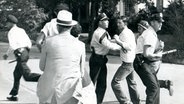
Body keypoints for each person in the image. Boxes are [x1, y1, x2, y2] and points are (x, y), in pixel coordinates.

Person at [37, 10, 95, 104]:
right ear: (71, 26)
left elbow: (42, 67)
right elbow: (82, 72)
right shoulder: (80, 45)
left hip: (51, 89)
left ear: (57, 26)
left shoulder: (48, 42)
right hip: (71, 91)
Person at [3, 15, 41, 101]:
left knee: (27, 76)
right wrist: (25, 51)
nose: (6, 25)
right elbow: (29, 43)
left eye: (7, 23)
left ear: (11, 23)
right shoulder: (21, 30)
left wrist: (7, 54)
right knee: (16, 74)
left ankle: (44, 78)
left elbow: (12, 45)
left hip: (20, 53)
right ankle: (14, 95)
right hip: (25, 52)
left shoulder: (11, 32)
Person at [134, 20, 174, 97]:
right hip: (151, 61)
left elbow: (152, 51)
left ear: (145, 29)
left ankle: (166, 84)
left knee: (151, 85)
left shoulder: (149, 36)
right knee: (152, 83)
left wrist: (160, 47)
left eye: (141, 28)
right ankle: (166, 84)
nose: (139, 29)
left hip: (152, 62)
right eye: (138, 27)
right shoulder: (142, 36)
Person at [133, 12, 165, 104]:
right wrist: (158, 56)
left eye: (161, 22)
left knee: (154, 86)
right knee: (153, 88)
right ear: (152, 22)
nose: (161, 24)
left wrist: (159, 48)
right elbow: (147, 54)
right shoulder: (150, 34)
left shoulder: (151, 33)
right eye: (159, 22)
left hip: (143, 62)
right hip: (142, 62)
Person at [89, 13, 121, 104]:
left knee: (102, 84)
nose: (107, 22)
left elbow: (109, 41)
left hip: (101, 60)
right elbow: (109, 45)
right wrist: (122, 46)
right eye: (105, 20)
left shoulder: (103, 32)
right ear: (100, 22)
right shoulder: (99, 33)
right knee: (92, 84)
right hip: (97, 59)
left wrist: (119, 41)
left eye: (107, 20)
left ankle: (97, 102)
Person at [112, 16, 140, 104]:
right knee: (131, 83)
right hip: (130, 61)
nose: (118, 24)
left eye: (120, 23)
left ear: (125, 23)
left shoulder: (126, 33)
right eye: (117, 22)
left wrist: (117, 40)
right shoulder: (125, 32)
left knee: (115, 83)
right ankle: (136, 102)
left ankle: (125, 102)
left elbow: (129, 47)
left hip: (127, 63)